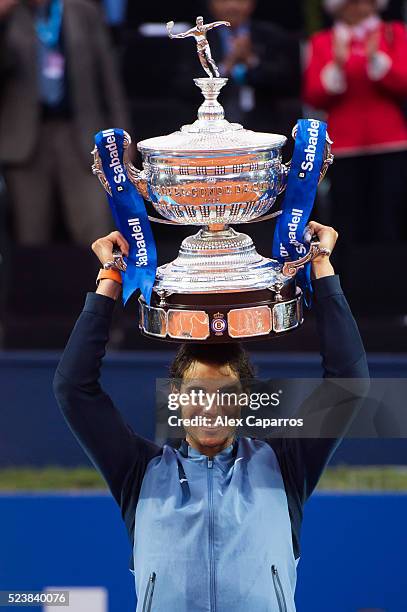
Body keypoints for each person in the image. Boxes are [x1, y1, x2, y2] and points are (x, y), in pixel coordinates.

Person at [53, 221, 369, 611]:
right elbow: (73, 388)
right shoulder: (139, 471)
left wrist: (320, 264)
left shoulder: (285, 466)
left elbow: (347, 381)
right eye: (197, 392)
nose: (210, 406)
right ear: (175, 397)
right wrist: (111, 277)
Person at [0, 0, 129, 246]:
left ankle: (102, 284)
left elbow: (109, 77)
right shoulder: (9, 14)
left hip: (82, 134)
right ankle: (34, 285)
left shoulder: (84, 11)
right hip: (24, 140)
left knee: (96, 227)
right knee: (30, 233)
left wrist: (122, 134)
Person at [303, 0, 407, 258]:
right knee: (347, 221)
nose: (358, 8)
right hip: (344, 147)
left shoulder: (393, 33)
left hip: (390, 143)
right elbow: (313, 95)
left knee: (391, 219)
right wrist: (337, 66)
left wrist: (377, 61)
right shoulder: (323, 41)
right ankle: (351, 287)